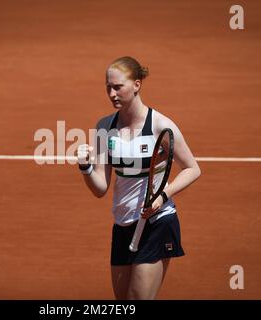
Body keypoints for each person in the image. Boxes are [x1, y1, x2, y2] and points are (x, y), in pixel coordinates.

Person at [76, 56, 201, 300]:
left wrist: (162, 196)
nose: (112, 93)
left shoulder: (160, 126)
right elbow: (100, 188)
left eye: (118, 86)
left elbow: (192, 168)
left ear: (136, 85)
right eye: (108, 87)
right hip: (123, 225)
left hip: (157, 223)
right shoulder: (104, 127)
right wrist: (85, 168)